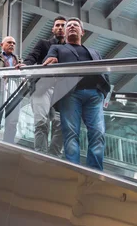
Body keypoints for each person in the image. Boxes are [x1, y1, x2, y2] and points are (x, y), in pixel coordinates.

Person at [44, 17, 110, 170]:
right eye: (69, 25)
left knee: (98, 132)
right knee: (71, 133)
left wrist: (103, 91)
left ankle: (95, 171)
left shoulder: (95, 52)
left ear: (82, 31)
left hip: (94, 94)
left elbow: (105, 71)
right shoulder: (58, 48)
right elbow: (49, 59)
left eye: (76, 25)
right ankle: (74, 170)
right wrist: (51, 60)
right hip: (70, 94)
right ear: (65, 32)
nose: (72, 26)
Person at [16, 16, 66, 156]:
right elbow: (32, 56)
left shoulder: (70, 49)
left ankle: (54, 155)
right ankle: (41, 155)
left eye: (63, 25)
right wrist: (26, 65)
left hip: (61, 91)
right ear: (53, 29)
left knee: (61, 125)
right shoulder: (44, 44)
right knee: (41, 122)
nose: (60, 28)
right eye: (57, 25)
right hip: (42, 88)